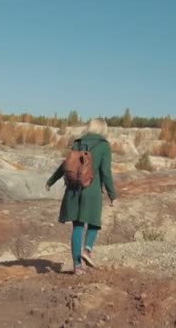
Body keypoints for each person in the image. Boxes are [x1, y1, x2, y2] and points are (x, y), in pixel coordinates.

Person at [46, 118, 117, 275]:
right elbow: (105, 172)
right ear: (103, 129)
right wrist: (112, 195)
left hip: (73, 190)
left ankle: (77, 267)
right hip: (91, 191)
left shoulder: (77, 142)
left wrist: (51, 181)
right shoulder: (104, 146)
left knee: (77, 227)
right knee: (93, 222)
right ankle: (87, 249)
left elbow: (65, 165)